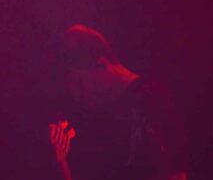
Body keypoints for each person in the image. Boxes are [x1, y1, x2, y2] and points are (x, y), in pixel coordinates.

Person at [48, 24, 187, 180]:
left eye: (79, 83)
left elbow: (174, 174)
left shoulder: (151, 100)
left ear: (101, 65)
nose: (77, 95)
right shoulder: (99, 118)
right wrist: (61, 162)